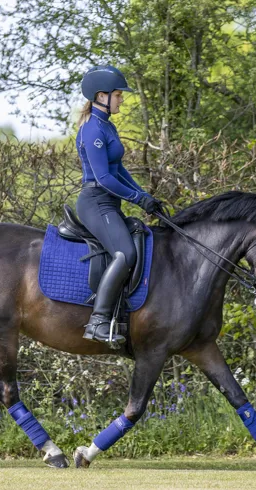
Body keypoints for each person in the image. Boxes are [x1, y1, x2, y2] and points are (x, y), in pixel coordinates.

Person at [75, 65, 163, 345]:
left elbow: (119, 171)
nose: (121, 100)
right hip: (95, 202)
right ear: (101, 96)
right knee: (125, 254)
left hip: (109, 203)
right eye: (118, 95)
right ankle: (98, 322)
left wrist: (145, 196)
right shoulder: (92, 130)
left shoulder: (107, 125)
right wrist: (137, 198)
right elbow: (103, 178)